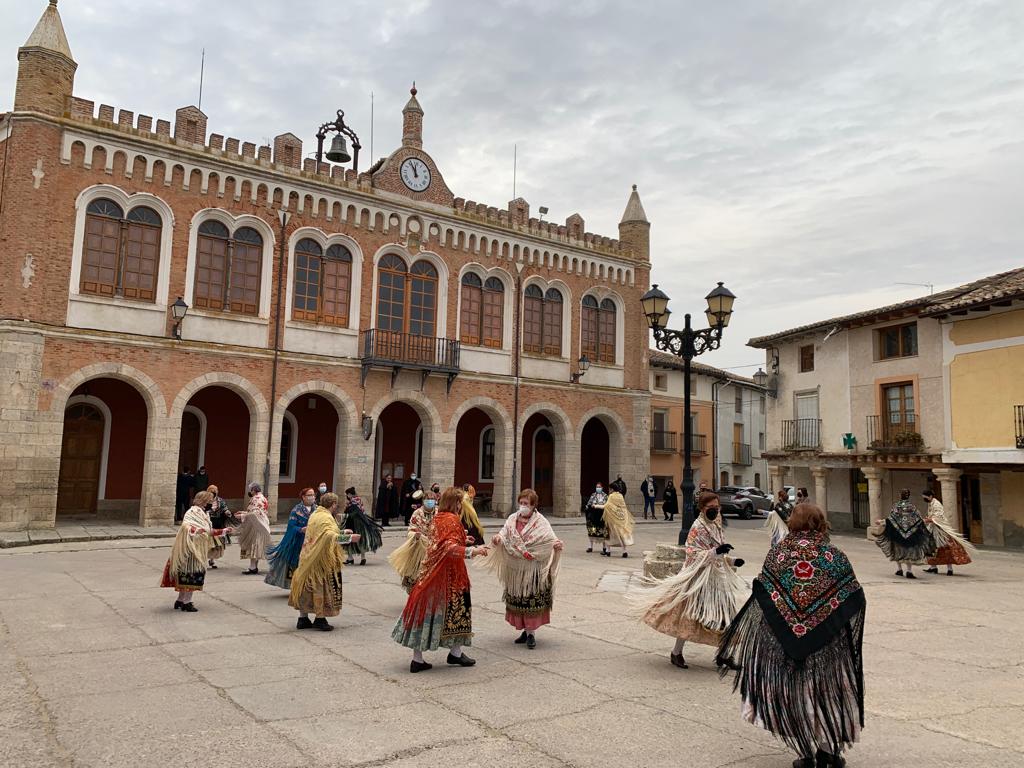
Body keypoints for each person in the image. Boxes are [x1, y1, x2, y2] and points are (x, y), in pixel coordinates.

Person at [716, 503, 866, 768]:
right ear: (820, 522)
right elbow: (854, 596)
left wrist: (781, 627)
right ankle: (827, 751)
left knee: (797, 692)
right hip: (828, 642)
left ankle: (806, 754)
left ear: (792, 522)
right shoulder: (833, 555)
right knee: (826, 693)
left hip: (786, 642)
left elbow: (763, 592)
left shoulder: (779, 553)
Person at [633, 491, 745, 669]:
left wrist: (731, 560)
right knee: (688, 616)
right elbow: (692, 553)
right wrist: (715, 552)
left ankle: (724, 654)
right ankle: (676, 652)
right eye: (711, 507)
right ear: (702, 508)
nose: (715, 511)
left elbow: (719, 551)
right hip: (698, 578)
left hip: (717, 577)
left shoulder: (716, 524)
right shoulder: (697, 527)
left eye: (717, 507)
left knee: (724, 616)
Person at [392, 487, 489, 673]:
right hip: (448, 575)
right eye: (459, 502)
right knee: (457, 610)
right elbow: (448, 548)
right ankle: (455, 653)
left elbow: (440, 542)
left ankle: (419, 658)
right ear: (454, 503)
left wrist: (463, 539)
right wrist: (472, 551)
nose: (461, 506)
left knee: (426, 610)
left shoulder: (439, 517)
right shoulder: (451, 519)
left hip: (431, 571)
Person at [486, 489, 563, 649]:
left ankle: (531, 633)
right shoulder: (512, 519)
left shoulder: (541, 522)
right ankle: (526, 631)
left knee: (530, 600)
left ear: (533, 505)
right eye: (521, 503)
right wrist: (498, 538)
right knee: (519, 600)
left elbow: (550, 538)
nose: (522, 506)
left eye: (526, 503)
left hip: (532, 569)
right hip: (516, 568)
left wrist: (556, 545)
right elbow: (504, 533)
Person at [289, 493, 361, 631]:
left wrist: (342, 531)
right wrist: (349, 538)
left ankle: (303, 618)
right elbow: (328, 536)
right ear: (333, 504)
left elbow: (322, 533)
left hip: (307, 555)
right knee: (320, 588)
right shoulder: (326, 517)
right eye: (336, 504)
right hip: (321, 559)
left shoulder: (316, 514)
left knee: (306, 586)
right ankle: (320, 619)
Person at [160, 490, 232, 612]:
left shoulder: (203, 514)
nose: (210, 503)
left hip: (198, 548)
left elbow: (207, 531)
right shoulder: (192, 512)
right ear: (203, 501)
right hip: (191, 548)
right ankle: (187, 602)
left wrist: (223, 531)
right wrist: (195, 530)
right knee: (192, 574)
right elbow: (186, 525)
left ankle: (180, 600)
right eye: (208, 501)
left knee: (187, 574)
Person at [873, 488, 935, 579]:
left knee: (897, 550)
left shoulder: (896, 506)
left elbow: (891, 519)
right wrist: (924, 522)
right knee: (908, 551)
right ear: (908, 496)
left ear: (900, 495)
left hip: (897, 532)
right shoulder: (912, 507)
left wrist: (882, 522)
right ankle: (909, 571)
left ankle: (899, 569)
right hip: (910, 533)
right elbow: (918, 519)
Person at [265, 488, 316, 589]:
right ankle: (296, 586)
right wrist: (300, 529)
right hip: (298, 542)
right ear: (303, 497)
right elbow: (291, 526)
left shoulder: (317, 509)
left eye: (313, 495)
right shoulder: (296, 510)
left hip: (313, 542)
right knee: (296, 564)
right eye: (309, 495)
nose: (312, 497)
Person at [388, 489, 433, 592]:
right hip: (419, 548)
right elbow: (411, 528)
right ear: (423, 500)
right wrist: (415, 535)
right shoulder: (417, 513)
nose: (430, 501)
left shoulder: (439, 513)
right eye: (428, 499)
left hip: (434, 548)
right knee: (416, 577)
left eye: (432, 499)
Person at [922, 489, 974, 575]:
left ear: (930, 496)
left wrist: (929, 520)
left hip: (940, 530)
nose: (924, 499)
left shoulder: (937, 504)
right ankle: (933, 567)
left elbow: (939, 516)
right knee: (930, 548)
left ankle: (949, 569)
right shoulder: (931, 503)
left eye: (925, 497)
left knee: (946, 549)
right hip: (933, 529)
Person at [341, 486, 382, 566]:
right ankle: (363, 558)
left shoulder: (352, 502)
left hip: (353, 523)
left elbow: (350, 513)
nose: (347, 496)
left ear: (349, 494)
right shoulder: (359, 500)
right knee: (361, 539)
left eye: (347, 494)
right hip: (362, 522)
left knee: (349, 538)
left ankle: (350, 558)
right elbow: (362, 511)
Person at [238, 482, 272, 574]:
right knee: (257, 545)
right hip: (262, 523)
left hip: (255, 525)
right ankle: (254, 566)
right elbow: (256, 511)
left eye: (251, 490)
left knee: (253, 545)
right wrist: (244, 513)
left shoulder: (256, 499)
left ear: (253, 490)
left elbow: (254, 513)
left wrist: (242, 516)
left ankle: (252, 567)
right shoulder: (262, 497)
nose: (250, 492)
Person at [602, 485, 636, 558]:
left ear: (612, 489)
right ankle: (624, 551)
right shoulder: (620, 496)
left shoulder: (611, 496)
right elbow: (623, 506)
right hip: (620, 517)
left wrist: (596, 506)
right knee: (621, 535)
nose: (609, 490)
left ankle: (608, 551)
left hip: (611, 517)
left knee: (608, 534)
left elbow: (606, 505)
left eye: (610, 489)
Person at [206, 484, 230, 568]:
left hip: (218, 522)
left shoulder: (220, 500)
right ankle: (205, 558)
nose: (213, 492)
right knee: (208, 541)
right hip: (208, 522)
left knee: (217, 542)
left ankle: (212, 559)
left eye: (215, 491)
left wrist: (227, 512)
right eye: (211, 491)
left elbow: (225, 508)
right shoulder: (205, 500)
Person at [584, 482, 609, 554]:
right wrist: (589, 507)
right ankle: (590, 547)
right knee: (592, 530)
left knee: (603, 531)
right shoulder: (593, 495)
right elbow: (589, 503)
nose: (598, 488)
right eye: (597, 487)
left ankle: (604, 547)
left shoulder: (605, 496)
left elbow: (607, 505)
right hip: (594, 515)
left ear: (602, 488)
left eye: (599, 487)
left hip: (602, 515)